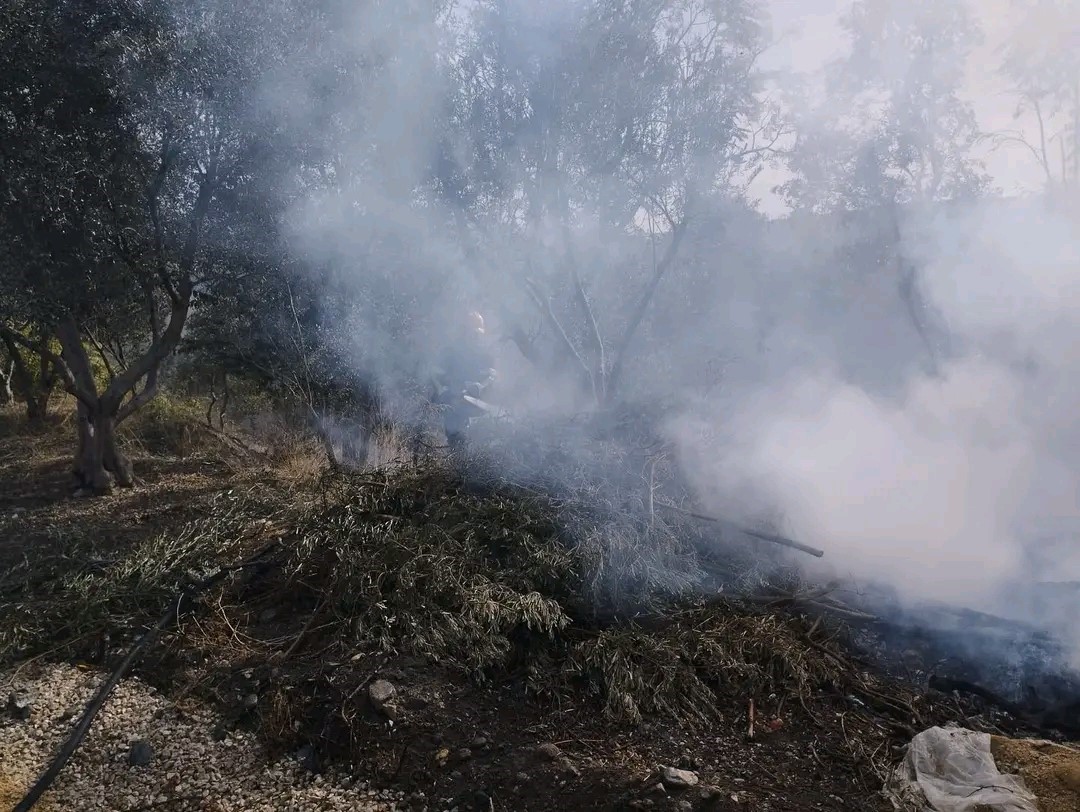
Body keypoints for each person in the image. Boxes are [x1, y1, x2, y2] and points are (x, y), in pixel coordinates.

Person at [431, 311, 496, 451]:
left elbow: (492, 376)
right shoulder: (450, 353)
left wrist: (480, 386)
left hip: (477, 407)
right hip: (454, 405)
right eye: (472, 333)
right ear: (464, 332)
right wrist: (444, 390)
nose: (475, 337)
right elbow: (435, 375)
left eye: (477, 334)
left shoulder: (485, 355)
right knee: (456, 439)